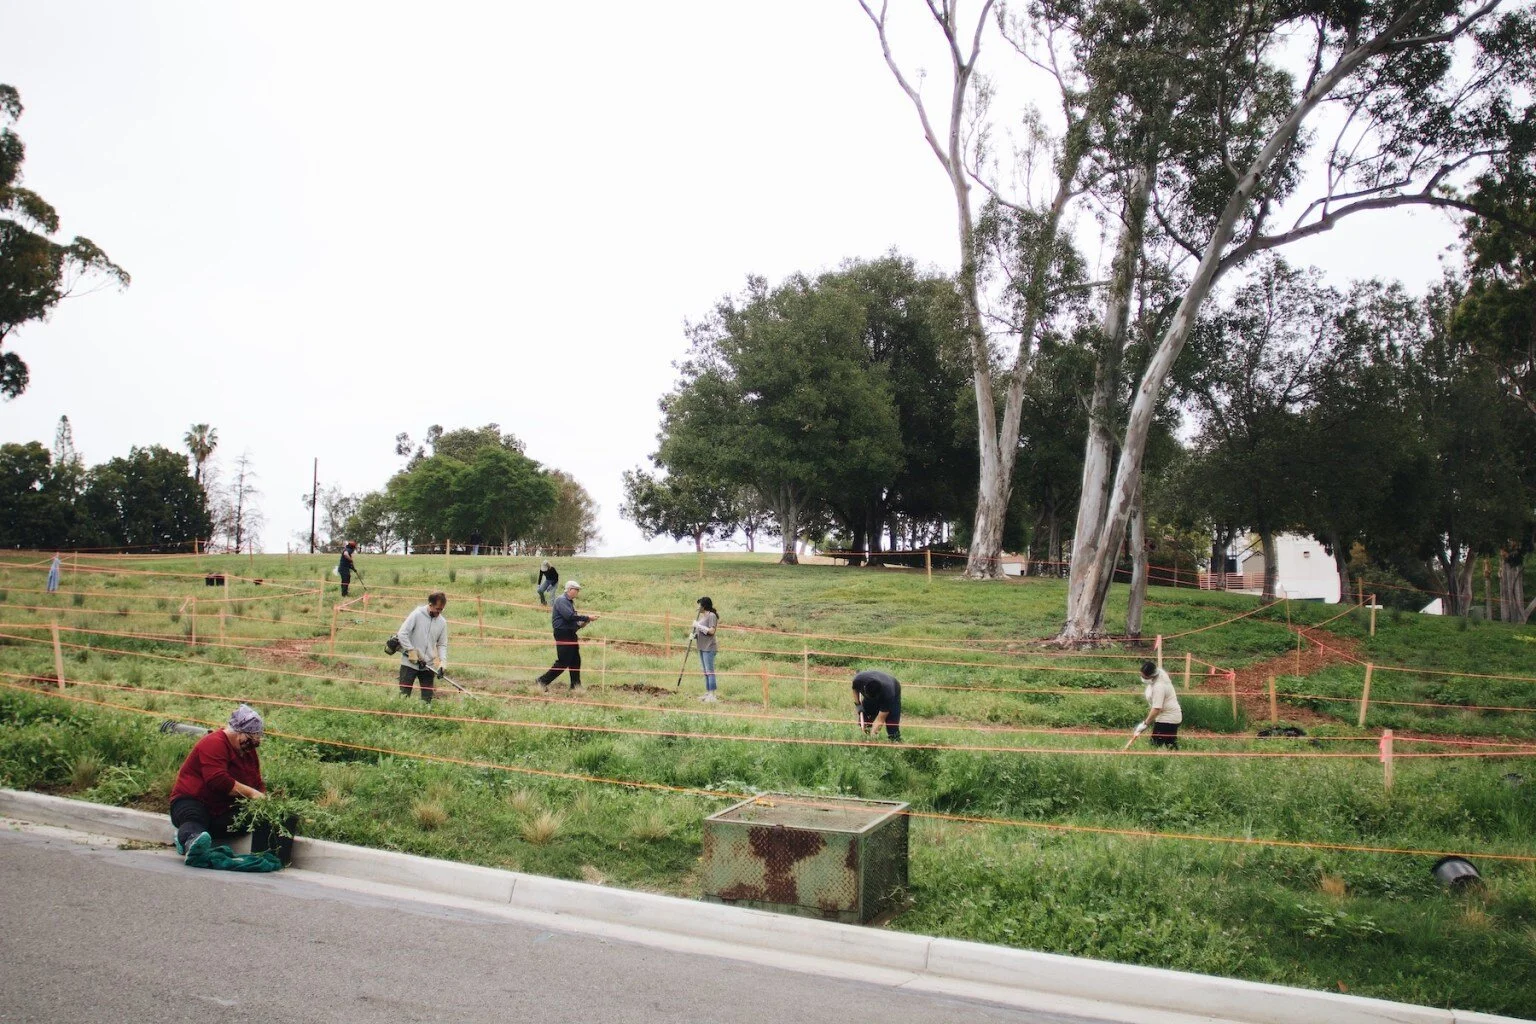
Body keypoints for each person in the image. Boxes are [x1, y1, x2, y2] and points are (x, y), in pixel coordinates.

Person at [169, 704, 267, 864]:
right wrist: (252, 794)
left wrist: (265, 800)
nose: (254, 744)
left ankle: (189, 834)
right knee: (195, 818)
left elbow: (256, 782)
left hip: (221, 809)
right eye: (251, 739)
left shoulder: (248, 753)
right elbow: (218, 780)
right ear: (238, 732)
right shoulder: (214, 743)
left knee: (243, 822)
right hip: (193, 799)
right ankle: (190, 838)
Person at [536, 580, 597, 694]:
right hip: (563, 634)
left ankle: (575, 685)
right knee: (563, 661)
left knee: (575, 660)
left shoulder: (569, 602)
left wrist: (585, 622)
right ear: (569, 589)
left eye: (578, 590)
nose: (577, 592)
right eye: (576, 590)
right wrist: (587, 617)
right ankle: (541, 681)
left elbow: (572, 621)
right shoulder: (561, 600)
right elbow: (569, 617)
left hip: (570, 633)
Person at [396, 591, 449, 703]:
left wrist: (442, 662)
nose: (439, 612)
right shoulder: (417, 614)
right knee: (403, 696)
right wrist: (410, 650)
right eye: (437, 609)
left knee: (427, 699)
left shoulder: (442, 623)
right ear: (431, 604)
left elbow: (442, 644)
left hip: (427, 665)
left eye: (441, 609)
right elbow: (402, 633)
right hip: (409, 663)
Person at [1134, 660, 1183, 749]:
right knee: (1170, 746)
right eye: (1141, 675)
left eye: (1145, 677)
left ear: (1152, 676)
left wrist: (1145, 724)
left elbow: (1156, 709)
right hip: (1169, 717)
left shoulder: (1159, 687)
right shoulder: (1159, 672)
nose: (1142, 678)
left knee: (1155, 745)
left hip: (1168, 718)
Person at [851, 669, 902, 741]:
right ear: (864, 689)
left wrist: (872, 738)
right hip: (872, 691)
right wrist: (858, 704)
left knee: (892, 724)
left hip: (893, 689)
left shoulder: (888, 694)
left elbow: (880, 720)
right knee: (864, 718)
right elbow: (854, 689)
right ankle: (862, 738)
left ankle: (895, 741)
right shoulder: (858, 680)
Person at [693, 596, 720, 702]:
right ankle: (708, 692)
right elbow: (701, 632)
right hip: (701, 646)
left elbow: (712, 631)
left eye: (699, 605)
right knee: (705, 671)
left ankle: (712, 694)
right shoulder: (702, 617)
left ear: (704, 606)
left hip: (709, 647)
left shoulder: (712, 616)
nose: (698, 607)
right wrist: (694, 635)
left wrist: (699, 626)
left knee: (710, 671)